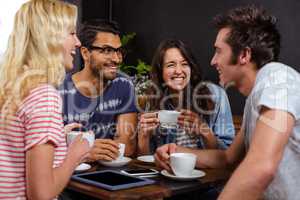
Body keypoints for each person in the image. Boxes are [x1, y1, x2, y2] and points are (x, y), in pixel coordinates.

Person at [155, 5, 300, 200]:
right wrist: (176, 151)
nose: (213, 61)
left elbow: (261, 168)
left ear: (243, 55)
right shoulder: (256, 98)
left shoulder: (276, 78)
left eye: (219, 51)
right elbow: (227, 158)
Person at [0, 0, 90, 199]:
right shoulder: (45, 96)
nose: (78, 42)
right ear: (50, 37)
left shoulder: (12, 87)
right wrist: (73, 157)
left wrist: (56, 134)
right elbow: (41, 194)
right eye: (71, 33)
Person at [138, 39, 235, 155]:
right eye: (171, 65)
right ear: (160, 71)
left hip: (205, 171)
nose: (179, 71)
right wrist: (143, 137)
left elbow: (228, 154)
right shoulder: (153, 100)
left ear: (191, 68)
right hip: (166, 171)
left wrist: (204, 131)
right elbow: (147, 159)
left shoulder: (216, 95)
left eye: (184, 64)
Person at [59, 19, 138, 162]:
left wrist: (91, 151)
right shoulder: (57, 89)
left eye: (118, 51)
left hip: (105, 174)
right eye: (107, 50)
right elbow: (45, 152)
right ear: (85, 53)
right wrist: (85, 152)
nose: (116, 59)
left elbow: (127, 146)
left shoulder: (124, 85)